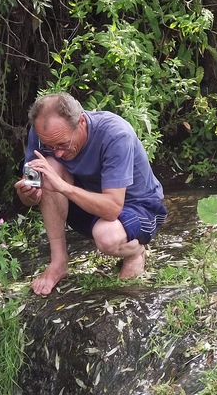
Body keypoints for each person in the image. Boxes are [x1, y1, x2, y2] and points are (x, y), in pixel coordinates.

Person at [15, 92, 167, 295]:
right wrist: (30, 194)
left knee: (107, 235)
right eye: (50, 146)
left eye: (63, 144)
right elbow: (32, 198)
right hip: (88, 202)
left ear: (81, 122)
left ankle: (135, 252)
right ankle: (58, 262)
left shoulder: (115, 134)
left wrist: (63, 187)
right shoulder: (43, 134)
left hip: (137, 207)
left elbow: (112, 208)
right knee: (47, 168)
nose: (57, 152)